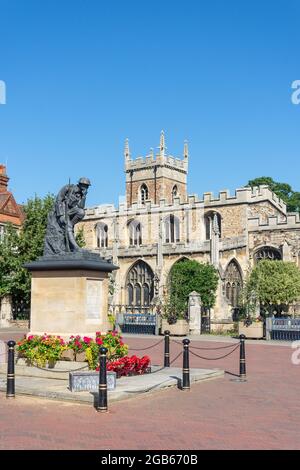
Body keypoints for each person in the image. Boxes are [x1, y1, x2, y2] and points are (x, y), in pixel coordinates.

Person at [44, 177, 91, 255]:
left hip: (70, 211)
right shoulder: (68, 188)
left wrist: (84, 196)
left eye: (87, 186)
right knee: (68, 225)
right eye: (85, 185)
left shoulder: (81, 194)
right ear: (80, 184)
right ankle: (76, 247)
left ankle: (69, 226)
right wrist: (61, 215)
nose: (86, 187)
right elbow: (58, 199)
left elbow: (81, 207)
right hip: (61, 211)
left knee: (81, 212)